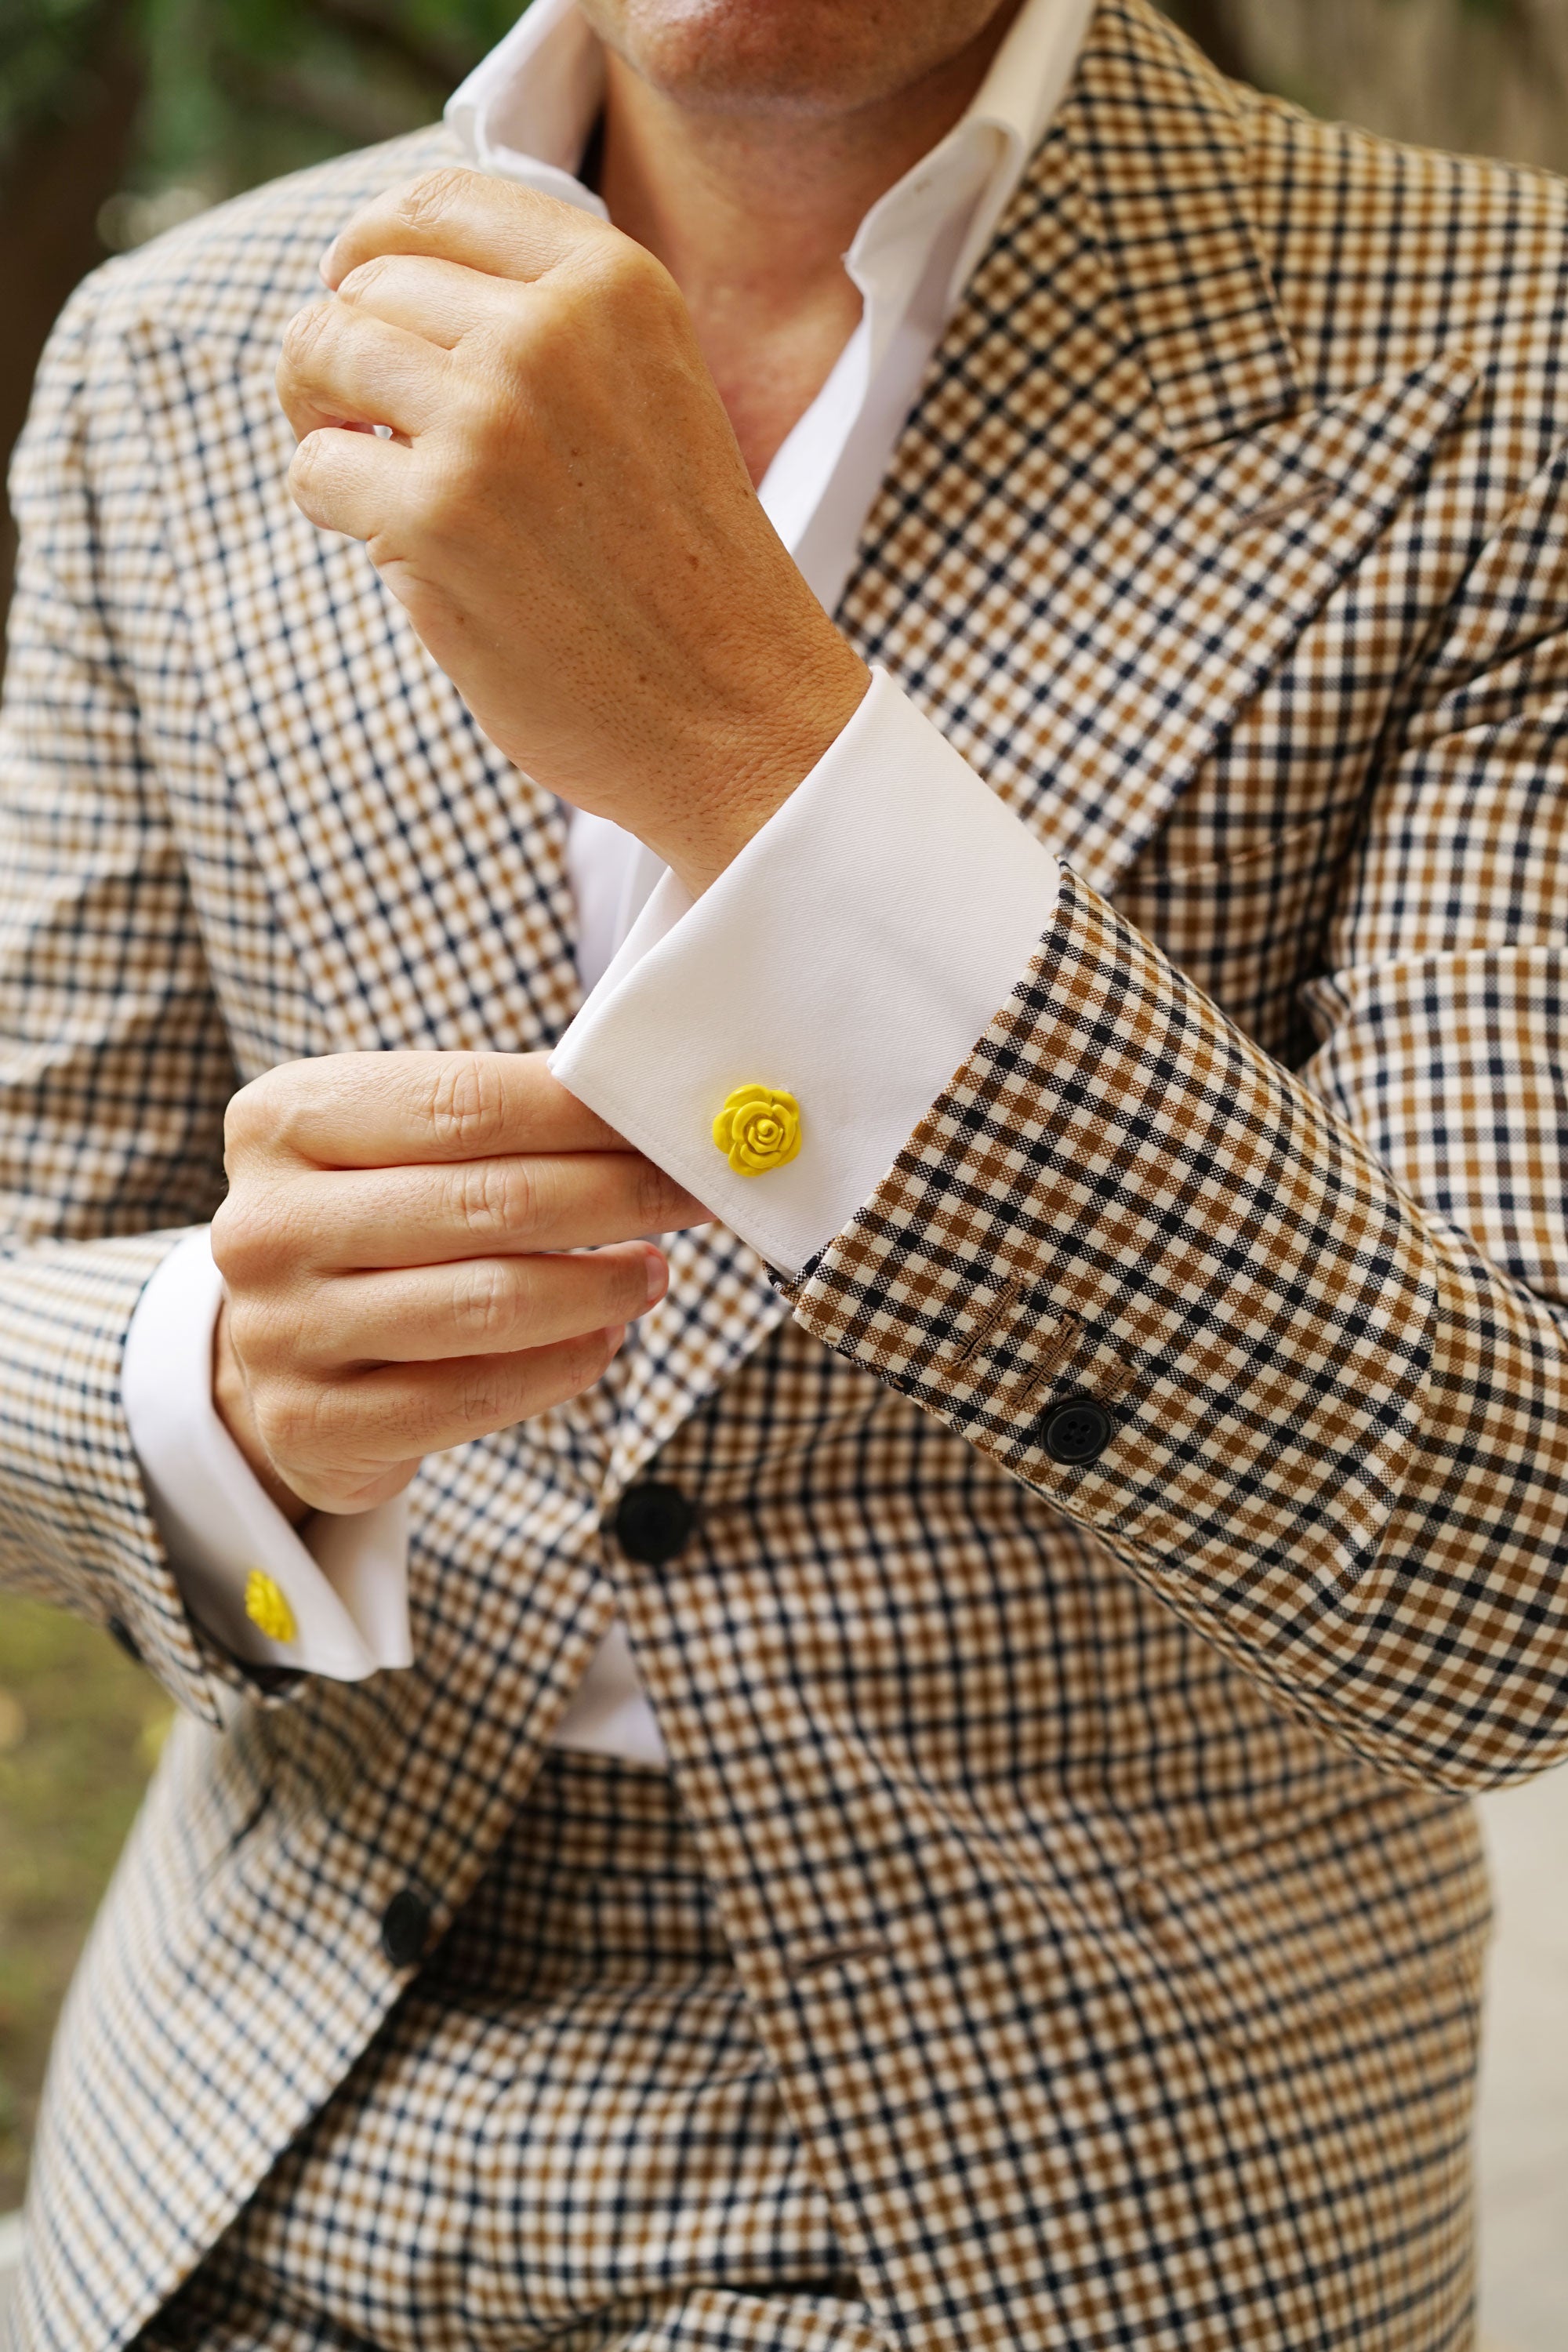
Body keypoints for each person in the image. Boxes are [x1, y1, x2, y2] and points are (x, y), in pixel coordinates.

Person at [3, 0, 1567, 2341]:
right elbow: (36, 1270)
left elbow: (1513, 1573)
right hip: (228, 2151)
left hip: (1080, 2198)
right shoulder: (165, 355)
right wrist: (210, 1388)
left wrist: (760, 752)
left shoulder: (1514, 352)